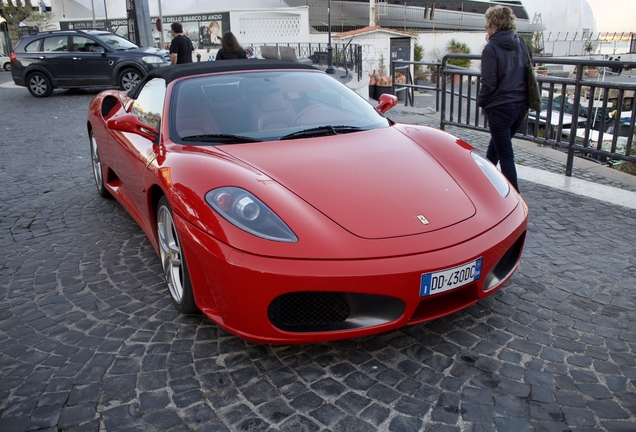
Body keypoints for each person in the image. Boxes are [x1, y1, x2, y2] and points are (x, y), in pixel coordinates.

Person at [477, 5, 527, 192]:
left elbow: (488, 84)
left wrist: (482, 102)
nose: (486, 30)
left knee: (505, 155)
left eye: (486, 26)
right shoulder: (521, 44)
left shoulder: (491, 48)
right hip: (520, 107)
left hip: (499, 107)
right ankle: (483, 183)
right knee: (495, 150)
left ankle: (515, 196)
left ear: (492, 25)